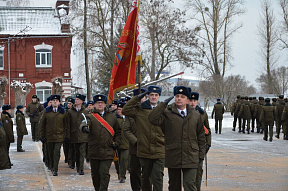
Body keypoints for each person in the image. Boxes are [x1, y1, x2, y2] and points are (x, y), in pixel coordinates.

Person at [148, 86, 206, 191]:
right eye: (177, 96)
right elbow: (152, 119)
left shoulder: (196, 115)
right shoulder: (167, 113)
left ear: (187, 100)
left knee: (190, 185)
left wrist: (200, 156)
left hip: (191, 156)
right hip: (174, 155)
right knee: (174, 186)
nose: (179, 98)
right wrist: (162, 105)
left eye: (182, 96)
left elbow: (201, 137)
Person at [122, 85, 165, 191]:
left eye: (156, 95)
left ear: (159, 96)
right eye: (151, 95)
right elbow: (125, 110)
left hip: (159, 149)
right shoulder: (139, 110)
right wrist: (137, 97)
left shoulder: (164, 111)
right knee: (145, 178)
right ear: (148, 96)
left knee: (158, 178)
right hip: (144, 149)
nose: (154, 97)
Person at [81, 94, 121, 190]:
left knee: (104, 173)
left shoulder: (112, 117)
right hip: (94, 150)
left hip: (107, 150)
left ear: (105, 104)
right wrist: (84, 128)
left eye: (102, 103)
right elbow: (84, 123)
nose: (100, 105)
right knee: (95, 175)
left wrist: (117, 143)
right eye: (98, 103)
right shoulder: (90, 117)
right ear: (94, 104)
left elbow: (118, 131)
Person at [123, 88, 150, 191]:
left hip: (148, 146)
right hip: (135, 147)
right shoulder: (131, 113)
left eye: (143, 97)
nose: (141, 100)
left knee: (147, 171)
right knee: (134, 171)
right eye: (138, 98)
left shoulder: (149, 111)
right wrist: (136, 141)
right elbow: (126, 130)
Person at [39, 95, 67, 176]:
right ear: (51, 102)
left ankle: (55, 169)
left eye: (57, 100)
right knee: (50, 153)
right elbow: (42, 125)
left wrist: (65, 135)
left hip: (59, 136)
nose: (55, 102)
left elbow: (66, 125)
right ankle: (51, 165)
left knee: (56, 152)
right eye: (53, 100)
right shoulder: (46, 112)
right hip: (49, 137)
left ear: (59, 102)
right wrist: (42, 136)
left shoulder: (63, 112)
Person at [189, 91, 211, 191]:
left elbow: (208, 131)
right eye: (191, 100)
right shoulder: (184, 113)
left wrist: (208, 145)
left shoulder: (202, 114)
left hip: (199, 148)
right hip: (188, 147)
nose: (192, 103)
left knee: (198, 174)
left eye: (194, 100)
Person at [67, 94, 89, 175]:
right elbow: (68, 124)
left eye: (78, 99)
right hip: (74, 135)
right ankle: (77, 166)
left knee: (82, 152)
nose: (76, 100)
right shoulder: (70, 111)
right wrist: (68, 135)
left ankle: (81, 169)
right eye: (75, 99)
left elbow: (88, 123)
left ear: (82, 101)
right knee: (76, 152)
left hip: (83, 135)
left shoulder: (86, 112)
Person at [116, 101, 129, 183]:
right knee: (117, 161)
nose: (119, 111)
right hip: (117, 143)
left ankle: (123, 176)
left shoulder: (128, 119)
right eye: (118, 109)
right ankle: (119, 173)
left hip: (126, 144)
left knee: (124, 160)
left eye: (121, 109)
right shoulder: (115, 119)